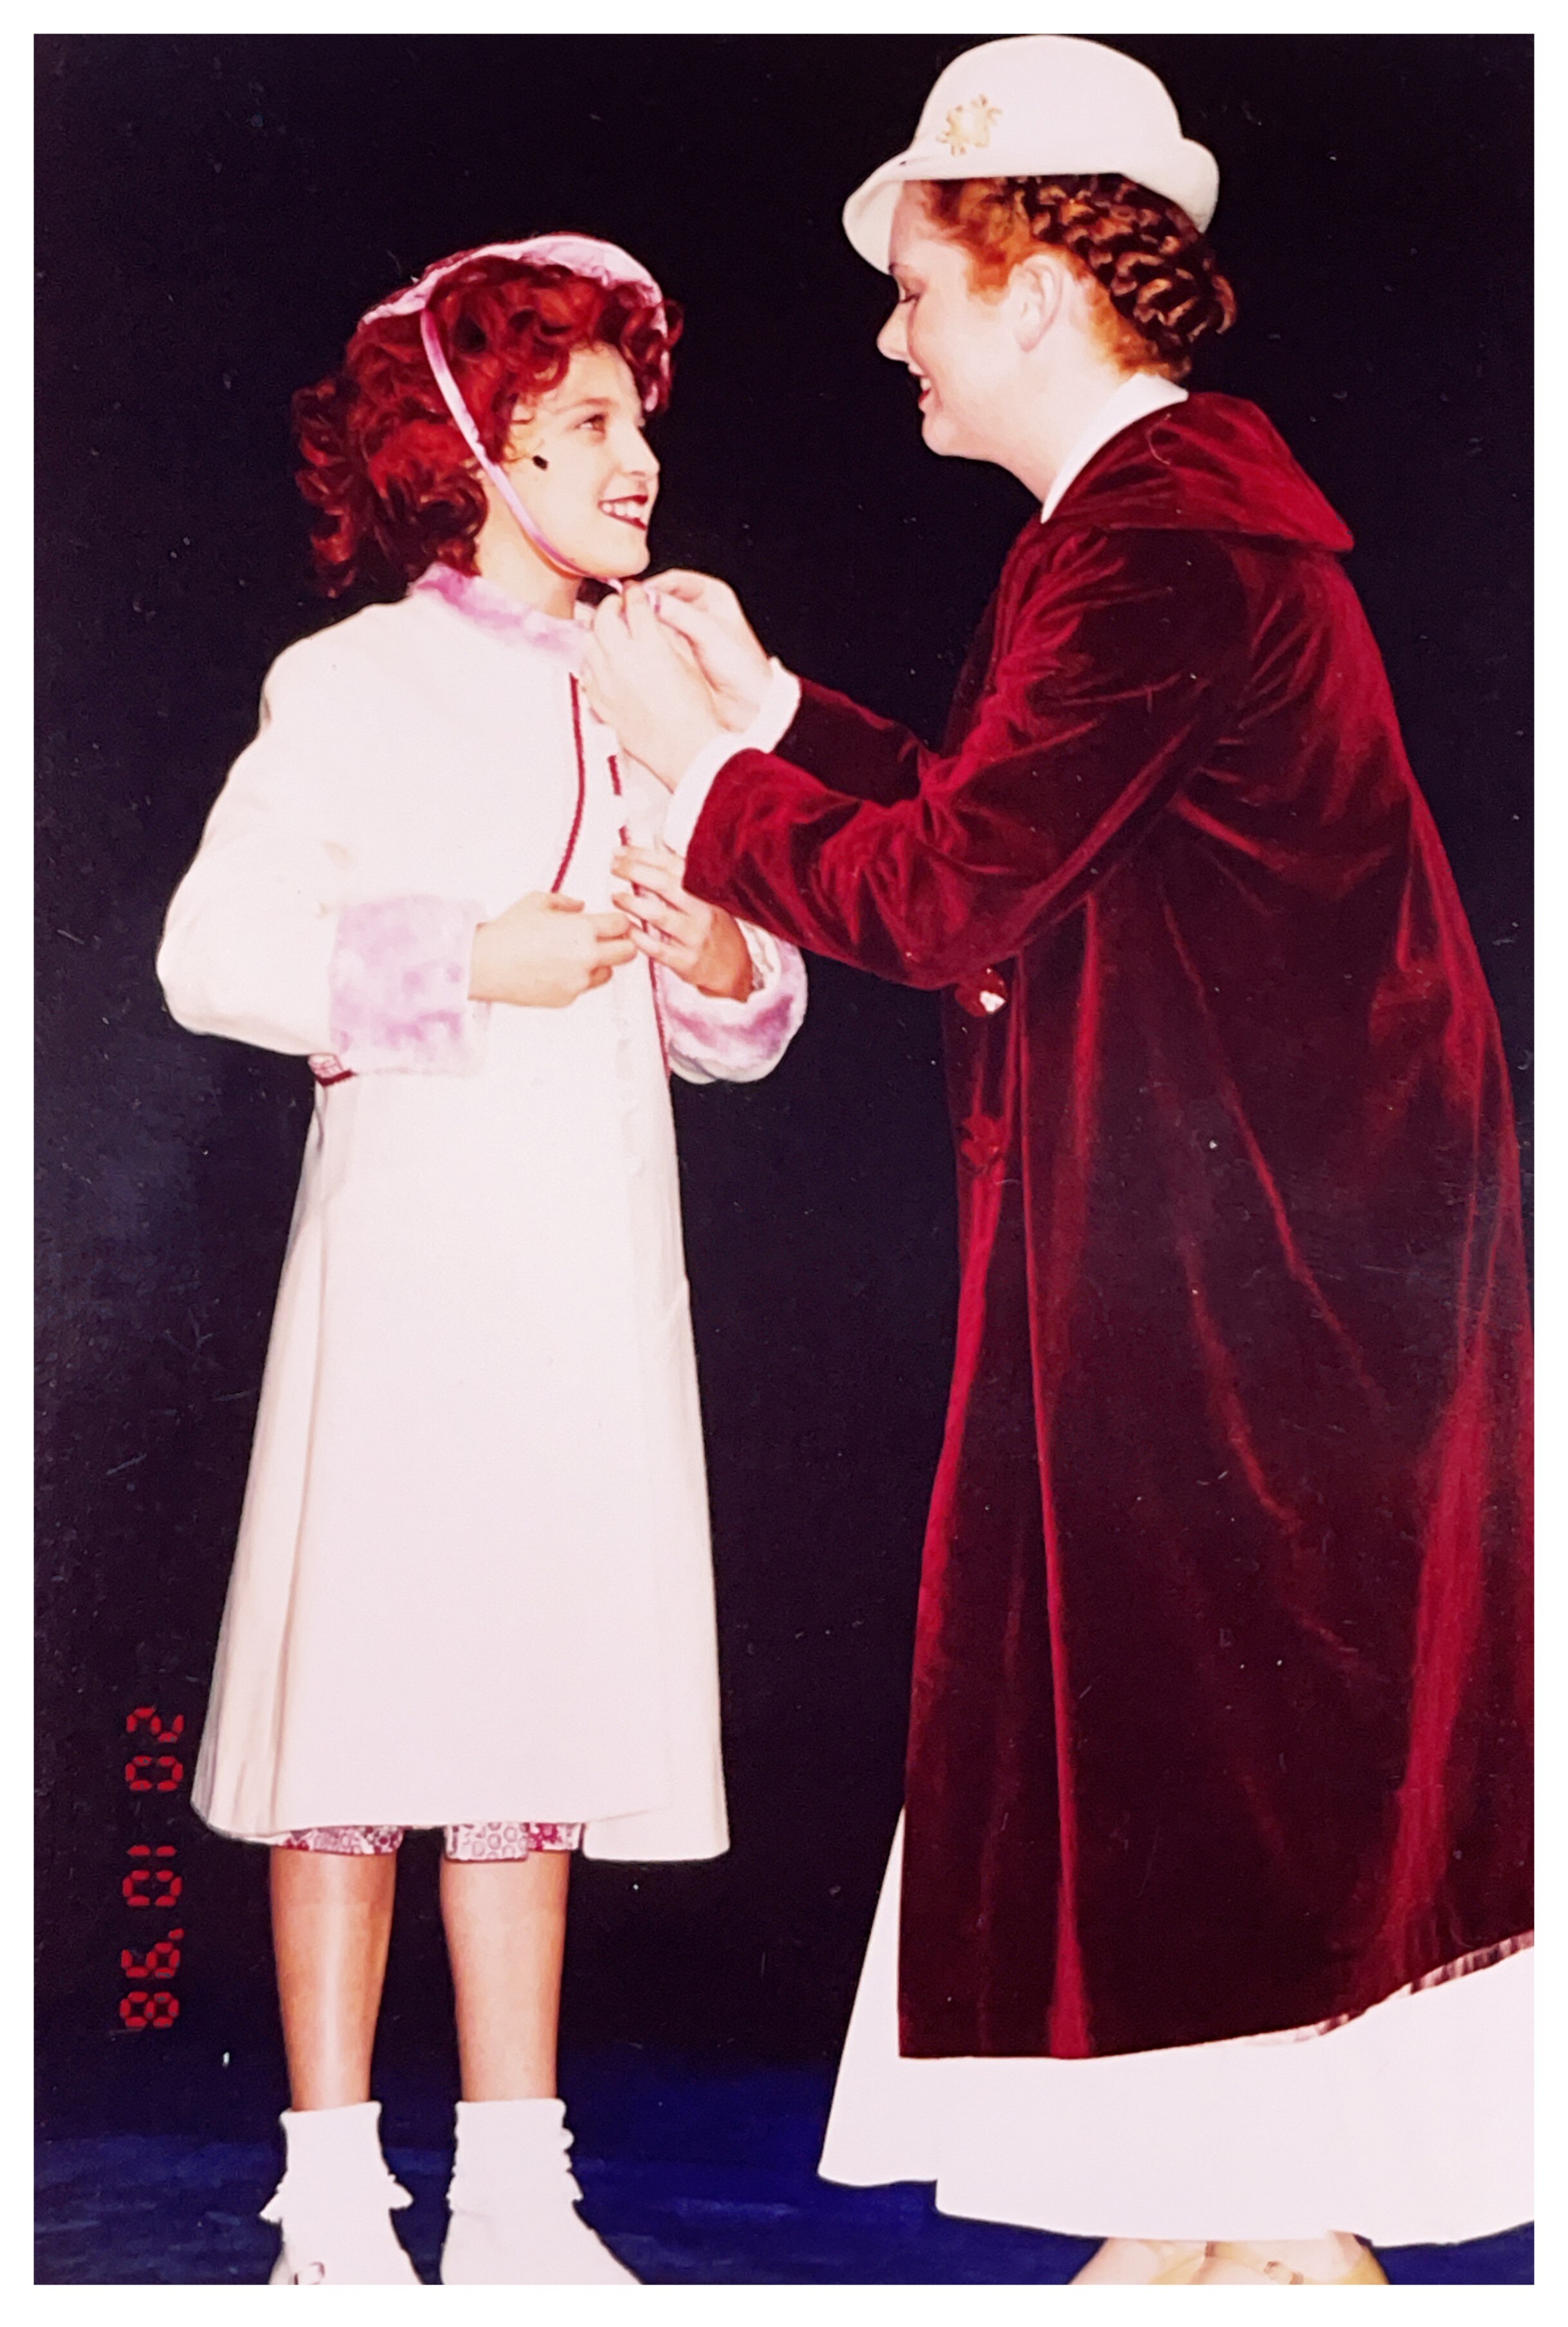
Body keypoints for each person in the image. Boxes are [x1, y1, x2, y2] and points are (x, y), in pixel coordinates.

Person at [582, 37, 1532, 2288]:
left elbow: (944, 898)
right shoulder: (1133, 525)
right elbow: (1014, 821)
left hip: (1276, 1243)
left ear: (1032, 286)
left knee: (1225, 1707)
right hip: (1264, 1222)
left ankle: (1277, 2230)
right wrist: (779, 710)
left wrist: (698, 777)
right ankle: (1223, 2216)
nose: (893, 328)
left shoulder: (1155, 542)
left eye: (921, 282)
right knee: (1208, 1712)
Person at [156, 233, 806, 2286]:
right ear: (474, 447)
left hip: (588, 1286)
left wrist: (721, 959)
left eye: (637, 422)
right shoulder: (349, 683)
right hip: (411, 1275)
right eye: (589, 426)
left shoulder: (663, 673)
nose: (637, 465)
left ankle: (519, 2191)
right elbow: (210, 954)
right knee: (362, 1726)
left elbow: (753, 1001)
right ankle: (335, 2200)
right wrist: (467, 957)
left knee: (527, 1731)